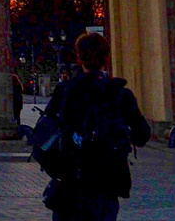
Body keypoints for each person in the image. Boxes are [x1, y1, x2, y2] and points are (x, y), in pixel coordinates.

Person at [41, 32, 151, 221]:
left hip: (70, 184)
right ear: (107, 58)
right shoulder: (121, 94)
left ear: (78, 58)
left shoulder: (65, 91)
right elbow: (143, 135)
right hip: (106, 184)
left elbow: (45, 133)